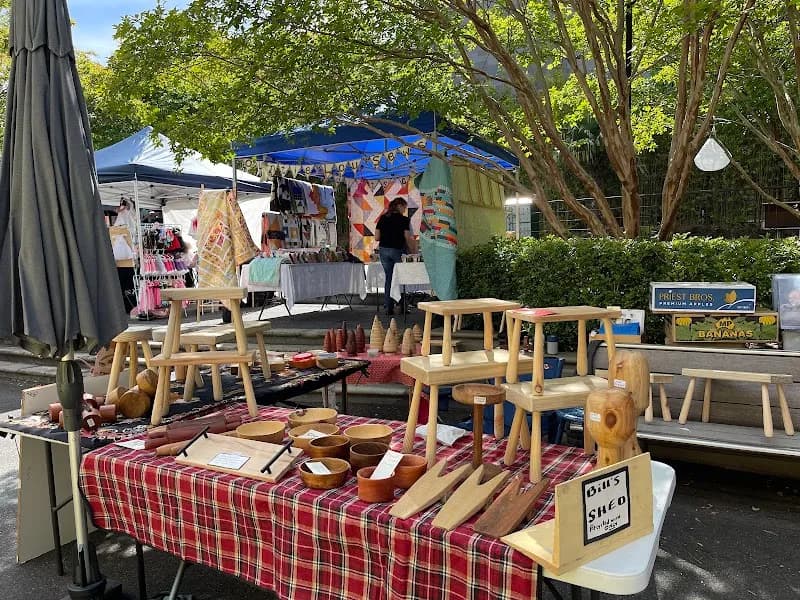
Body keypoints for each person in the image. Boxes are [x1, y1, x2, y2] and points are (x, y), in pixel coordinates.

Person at [375, 197, 416, 314]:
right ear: (399, 206)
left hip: (383, 250)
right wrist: (413, 252)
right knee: (400, 277)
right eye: (404, 207)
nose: (405, 209)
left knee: (389, 278)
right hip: (397, 249)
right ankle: (402, 306)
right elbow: (408, 237)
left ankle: (388, 307)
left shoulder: (383, 218)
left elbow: (377, 237)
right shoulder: (404, 220)